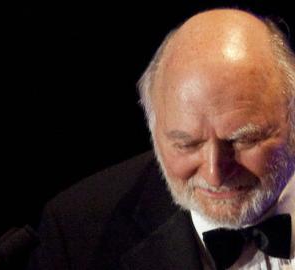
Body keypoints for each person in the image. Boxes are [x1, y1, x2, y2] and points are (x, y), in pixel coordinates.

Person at [27, 8, 295, 270]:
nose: (215, 174)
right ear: (154, 131)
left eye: (241, 140)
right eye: (186, 144)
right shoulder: (77, 232)